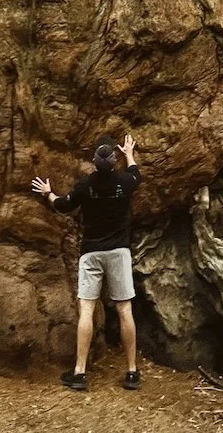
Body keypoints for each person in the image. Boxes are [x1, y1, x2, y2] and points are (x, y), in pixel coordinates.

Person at [31, 133, 142, 391]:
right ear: (114, 161)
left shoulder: (85, 186)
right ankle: (132, 372)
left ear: (94, 161)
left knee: (87, 310)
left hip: (91, 253)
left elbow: (62, 205)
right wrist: (129, 154)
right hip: (119, 253)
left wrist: (48, 193)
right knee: (124, 309)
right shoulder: (125, 182)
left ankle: (79, 373)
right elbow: (136, 174)